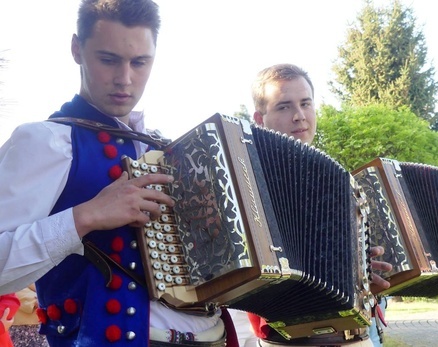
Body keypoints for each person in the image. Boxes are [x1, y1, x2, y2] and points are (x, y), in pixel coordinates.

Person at [0, 1, 236, 346]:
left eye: (140, 62)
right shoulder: (45, 140)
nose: (125, 79)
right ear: (76, 49)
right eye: (108, 60)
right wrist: (84, 217)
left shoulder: (161, 146)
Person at [227, 63, 392, 347]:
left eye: (306, 104)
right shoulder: (243, 183)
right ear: (259, 119)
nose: (299, 116)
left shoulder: (339, 180)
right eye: (283, 107)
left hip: (360, 336)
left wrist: (363, 268)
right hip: (283, 339)